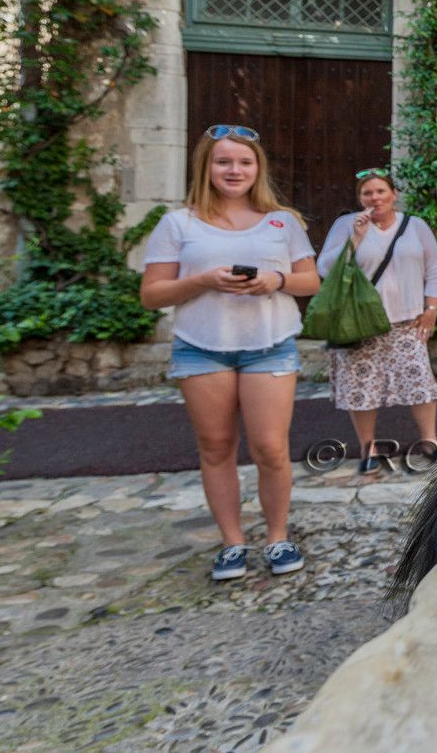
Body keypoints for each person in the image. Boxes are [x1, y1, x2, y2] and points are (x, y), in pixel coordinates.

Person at [139, 126, 321, 581]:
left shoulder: (283, 221)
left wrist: (275, 281)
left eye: (244, 162)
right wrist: (203, 279)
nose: (234, 170)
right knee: (216, 448)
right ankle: (232, 543)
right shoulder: (178, 223)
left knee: (271, 449)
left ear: (257, 168)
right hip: (202, 349)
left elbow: (311, 281)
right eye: (224, 161)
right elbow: (152, 295)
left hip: (270, 345)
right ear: (207, 166)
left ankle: (277, 537)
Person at [316, 169, 437, 474]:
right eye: (367, 193)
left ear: (394, 194)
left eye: (381, 192)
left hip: (408, 322)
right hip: (360, 324)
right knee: (361, 387)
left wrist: (431, 309)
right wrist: (356, 237)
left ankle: (430, 440)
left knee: (420, 382)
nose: (375, 198)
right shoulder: (346, 225)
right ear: (360, 198)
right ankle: (367, 447)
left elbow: (435, 269)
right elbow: (324, 268)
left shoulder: (416, 226)